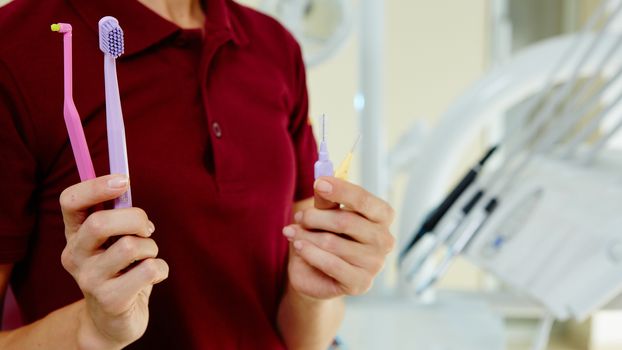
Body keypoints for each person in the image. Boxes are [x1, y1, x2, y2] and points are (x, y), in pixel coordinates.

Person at [0, 0, 395, 348]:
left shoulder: (274, 46)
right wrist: (92, 331)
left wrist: (312, 295)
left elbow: (301, 339)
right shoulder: (15, 47)